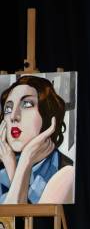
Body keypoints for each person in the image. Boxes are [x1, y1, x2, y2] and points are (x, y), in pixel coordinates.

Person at [0, 75, 74, 204]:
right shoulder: (5, 167)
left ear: (49, 115)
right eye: (8, 108)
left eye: (27, 104)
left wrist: (26, 160)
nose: (13, 116)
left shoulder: (66, 173)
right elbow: (10, 222)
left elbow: (23, 217)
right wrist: (15, 168)